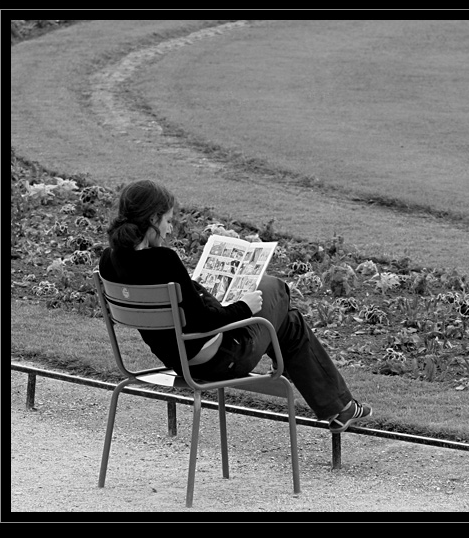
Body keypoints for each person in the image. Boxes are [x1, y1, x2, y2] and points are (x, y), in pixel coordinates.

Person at [98, 180, 372, 433]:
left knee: (288, 322)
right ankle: (327, 396)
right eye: (168, 221)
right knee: (275, 288)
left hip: (178, 361)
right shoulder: (164, 260)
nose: (170, 229)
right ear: (153, 219)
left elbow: (189, 316)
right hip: (220, 361)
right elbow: (206, 321)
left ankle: (338, 405)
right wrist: (245, 307)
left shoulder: (108, 261)